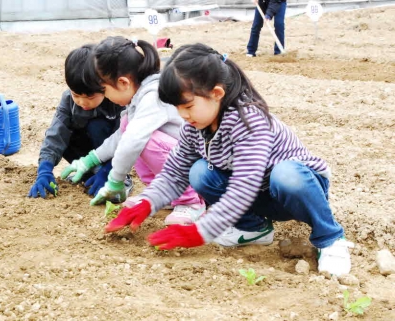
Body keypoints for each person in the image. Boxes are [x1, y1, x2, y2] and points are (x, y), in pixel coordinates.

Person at [105, 43, 353, 276]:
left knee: (285, 174)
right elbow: (173, 173)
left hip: (299, 188)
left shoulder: (249, 120)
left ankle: (330, 237)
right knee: (200, 173)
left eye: (188, 106)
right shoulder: (195, 127)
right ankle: (253, 229)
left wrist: (201, 231)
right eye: (178, 108)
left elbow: (244, 186)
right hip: (262, 195)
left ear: (216, 93)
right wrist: (147, 203)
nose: (183, 115)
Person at [62, 36, 205, 225]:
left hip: (201, 169)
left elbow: (132, 140)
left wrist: (115, 180)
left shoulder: (154, 95)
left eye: (104, 90)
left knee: (141, 139)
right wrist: (90, 159)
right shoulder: (138, 97)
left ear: (123, 83)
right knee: (129, 128)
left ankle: (190, 201)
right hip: (184, 164)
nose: (105, 96)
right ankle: (165, 194)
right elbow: (121, 136)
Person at [28, 44, 132, 199]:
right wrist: (44, 170)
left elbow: (126, 142)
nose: (82, 102)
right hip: (84, 153)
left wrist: (109, 170)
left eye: (90, 97)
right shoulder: (68, 101)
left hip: (111, 155)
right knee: (65, 132)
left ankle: (117, 178)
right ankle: (87, 173)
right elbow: (55, 135)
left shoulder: (117, 101)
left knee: (97, 126)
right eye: (76, 94)